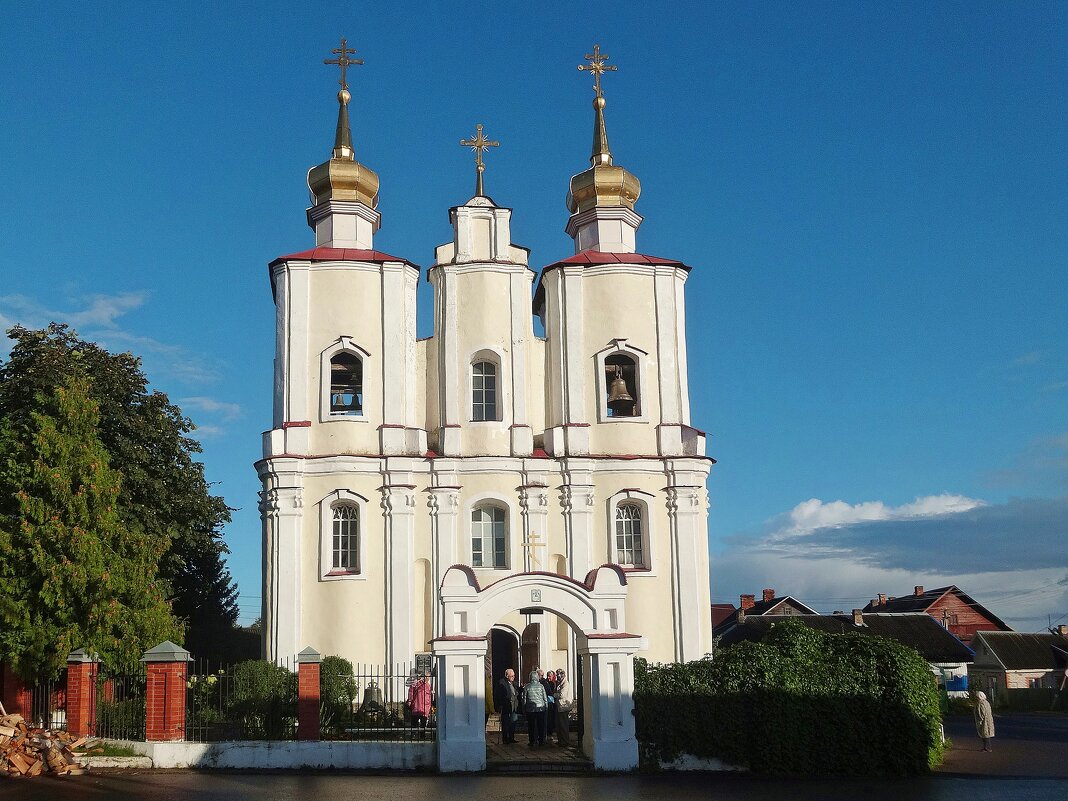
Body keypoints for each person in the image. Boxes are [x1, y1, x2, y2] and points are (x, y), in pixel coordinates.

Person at [523, 669, 548, 747]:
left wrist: (524, 708)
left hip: (530, 709)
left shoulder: (527, 686)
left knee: (531, 726)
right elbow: (545, 698)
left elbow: (524, 698)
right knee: (541, 725)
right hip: (540, 708)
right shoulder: (541, 686)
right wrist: (546, 707)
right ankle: (541, 740)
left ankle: (532, 741)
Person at [494, 668, 520, 744]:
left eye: (514, 676)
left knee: (513, 722)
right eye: (511, 676)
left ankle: (512, 737)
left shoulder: (514, 684)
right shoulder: (501, 683)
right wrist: (499, 704)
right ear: (507, 676)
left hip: (514, 706)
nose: (513, 677)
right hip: (506, 706)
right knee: (505, 723)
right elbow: (498, 695)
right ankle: (505, 738)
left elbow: (516, 693)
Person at [553, 667, 572, 746]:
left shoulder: (565, 684)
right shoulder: (560, 683)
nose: (557, 676)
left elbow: (562, 695)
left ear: (562, 675)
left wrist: (554, 695)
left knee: (563, 725)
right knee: (559, 725)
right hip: (559, 706)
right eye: (557, 675)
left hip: (564, 707)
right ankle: (561, 740)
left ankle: (565, 741)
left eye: (558, 675)